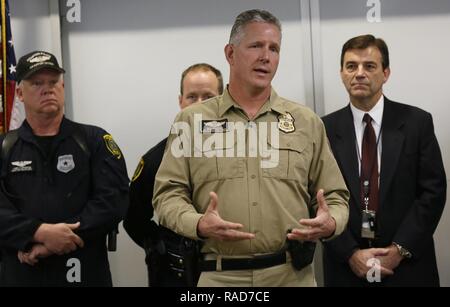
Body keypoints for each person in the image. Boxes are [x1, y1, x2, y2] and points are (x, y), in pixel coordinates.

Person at [153, 9, 349, 287]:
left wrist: (331, 223)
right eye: (256, 46)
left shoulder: (306, 122)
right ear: (230, 54)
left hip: (291, 275)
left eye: (274, 48)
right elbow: (166, 195)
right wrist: (197, 223)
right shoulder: (190, 121)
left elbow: (336, 196)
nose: (266, 57)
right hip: (220, 276)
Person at [322, 34, 447, 286]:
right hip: (346, 269)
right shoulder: (322, 128)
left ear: (386, 73)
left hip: (408, 268)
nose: (359, 73)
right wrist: (349, 253)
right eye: (351, 66)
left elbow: (433, 192)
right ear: (341, 73)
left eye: (369, 66)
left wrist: (399, 250)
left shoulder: (417, 123)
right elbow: (317, 198)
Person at [0, 50, 129, 286]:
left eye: (53, 82)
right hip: (22, 273)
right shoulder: (5, 147)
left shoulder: (95, 140)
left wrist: (59, 240)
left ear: (63, 87)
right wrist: (37, 233)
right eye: (37, 83)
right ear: (19, 93)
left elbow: (113, 202)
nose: (47, 89)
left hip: (85, 272)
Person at [123, 63, 223, 286]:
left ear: (222, 99)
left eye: (207, 96)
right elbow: (133, 218)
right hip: (177, 274)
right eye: (192, 97)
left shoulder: (243, 150)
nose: (199, 105)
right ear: (180, 102)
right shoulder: (157, 158)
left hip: (230, 271)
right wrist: (162, 246)